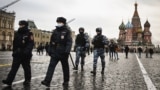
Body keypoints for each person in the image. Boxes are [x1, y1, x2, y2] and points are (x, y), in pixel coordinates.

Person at [41, 17, 72, 87]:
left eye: (60, 22)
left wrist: (67, 51)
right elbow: (51, 42)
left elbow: (69, 42)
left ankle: (66, 81)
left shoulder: (67, 31)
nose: (58, 23)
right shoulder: (55, 31)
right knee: (51, 66)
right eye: (58, 22)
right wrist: (50, 50)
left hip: (63, 52)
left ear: (63, 23)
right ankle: (47, 81)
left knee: (65, 67)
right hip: (55, 51)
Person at [2, 20, 34, 86]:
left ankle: (27, 80)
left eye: (22, 25)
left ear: (25, 25)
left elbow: (30, 44)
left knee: (26, 68)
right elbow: (15, 43)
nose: (20, 26)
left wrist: (26, 51)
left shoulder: (29, 33)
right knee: (14, 68)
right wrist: (14, 52)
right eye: (20, 25)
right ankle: (9, 80)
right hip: (17, 53)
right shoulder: (17, 33)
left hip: (25, 55)